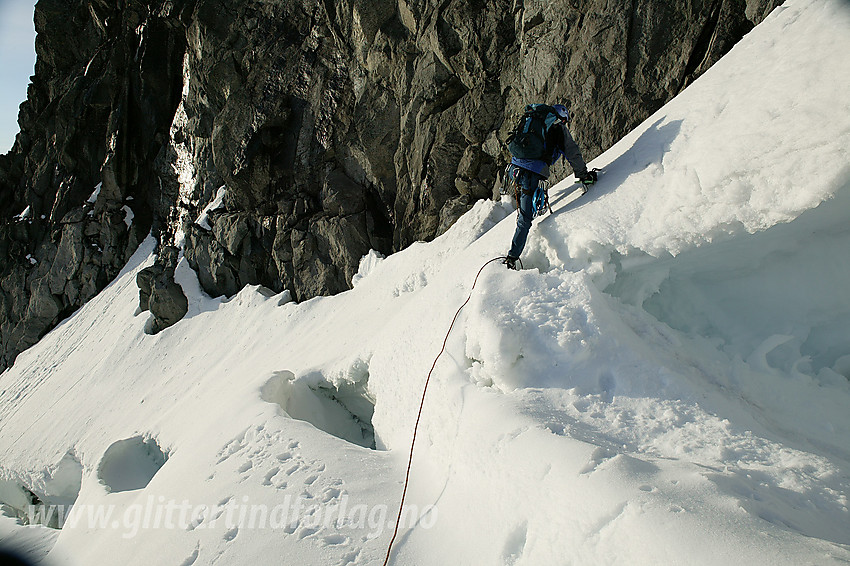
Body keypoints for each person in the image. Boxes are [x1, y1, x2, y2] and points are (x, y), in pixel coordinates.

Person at [504, 103, 595, 270]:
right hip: (532, 173)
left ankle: (513, 255)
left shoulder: (532, 122)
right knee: (525, 219)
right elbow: (572, 152)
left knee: (524, 209)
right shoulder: (558, 128)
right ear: (562, 118)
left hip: (515, 168)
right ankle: (511, 258)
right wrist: (583, 175)